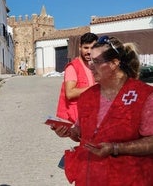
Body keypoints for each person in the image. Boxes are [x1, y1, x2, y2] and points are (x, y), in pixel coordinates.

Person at [54, 36, 153, 185]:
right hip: (90, 178)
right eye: (90, 61)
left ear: (114, 63)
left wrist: (115, 148)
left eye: (97, 61)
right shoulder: (87, 97)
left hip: (129, 179)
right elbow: (83, 134)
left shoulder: (144, 96)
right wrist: (69, 132)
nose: (91, 66)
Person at [56, 32, 98, 123]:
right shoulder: (72, 67)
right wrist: (95, 88)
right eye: (86, 48)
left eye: (92, 48)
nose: (89, 52)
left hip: (91, 115)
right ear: (80, 47)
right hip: (77, 118)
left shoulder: (94, 66)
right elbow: (70, 93)